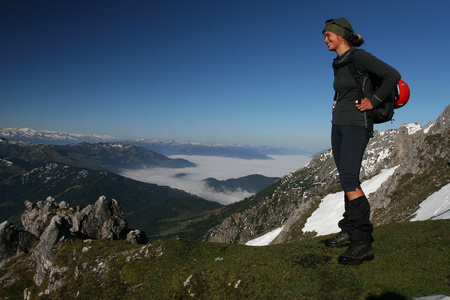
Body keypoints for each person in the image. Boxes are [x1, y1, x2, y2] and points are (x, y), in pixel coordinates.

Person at [322, 18, 401, 265]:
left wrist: (373, 101)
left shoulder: (358, 56)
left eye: (328, 35)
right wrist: (340, 101)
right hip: (339, 124)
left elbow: (392, 75)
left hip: (356, 125)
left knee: (348, 179)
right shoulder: (339, 62)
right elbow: (350, 89)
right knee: (347, 178)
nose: (325, 40)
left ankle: (362, 242)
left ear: (340, 36)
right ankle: (349, 229)